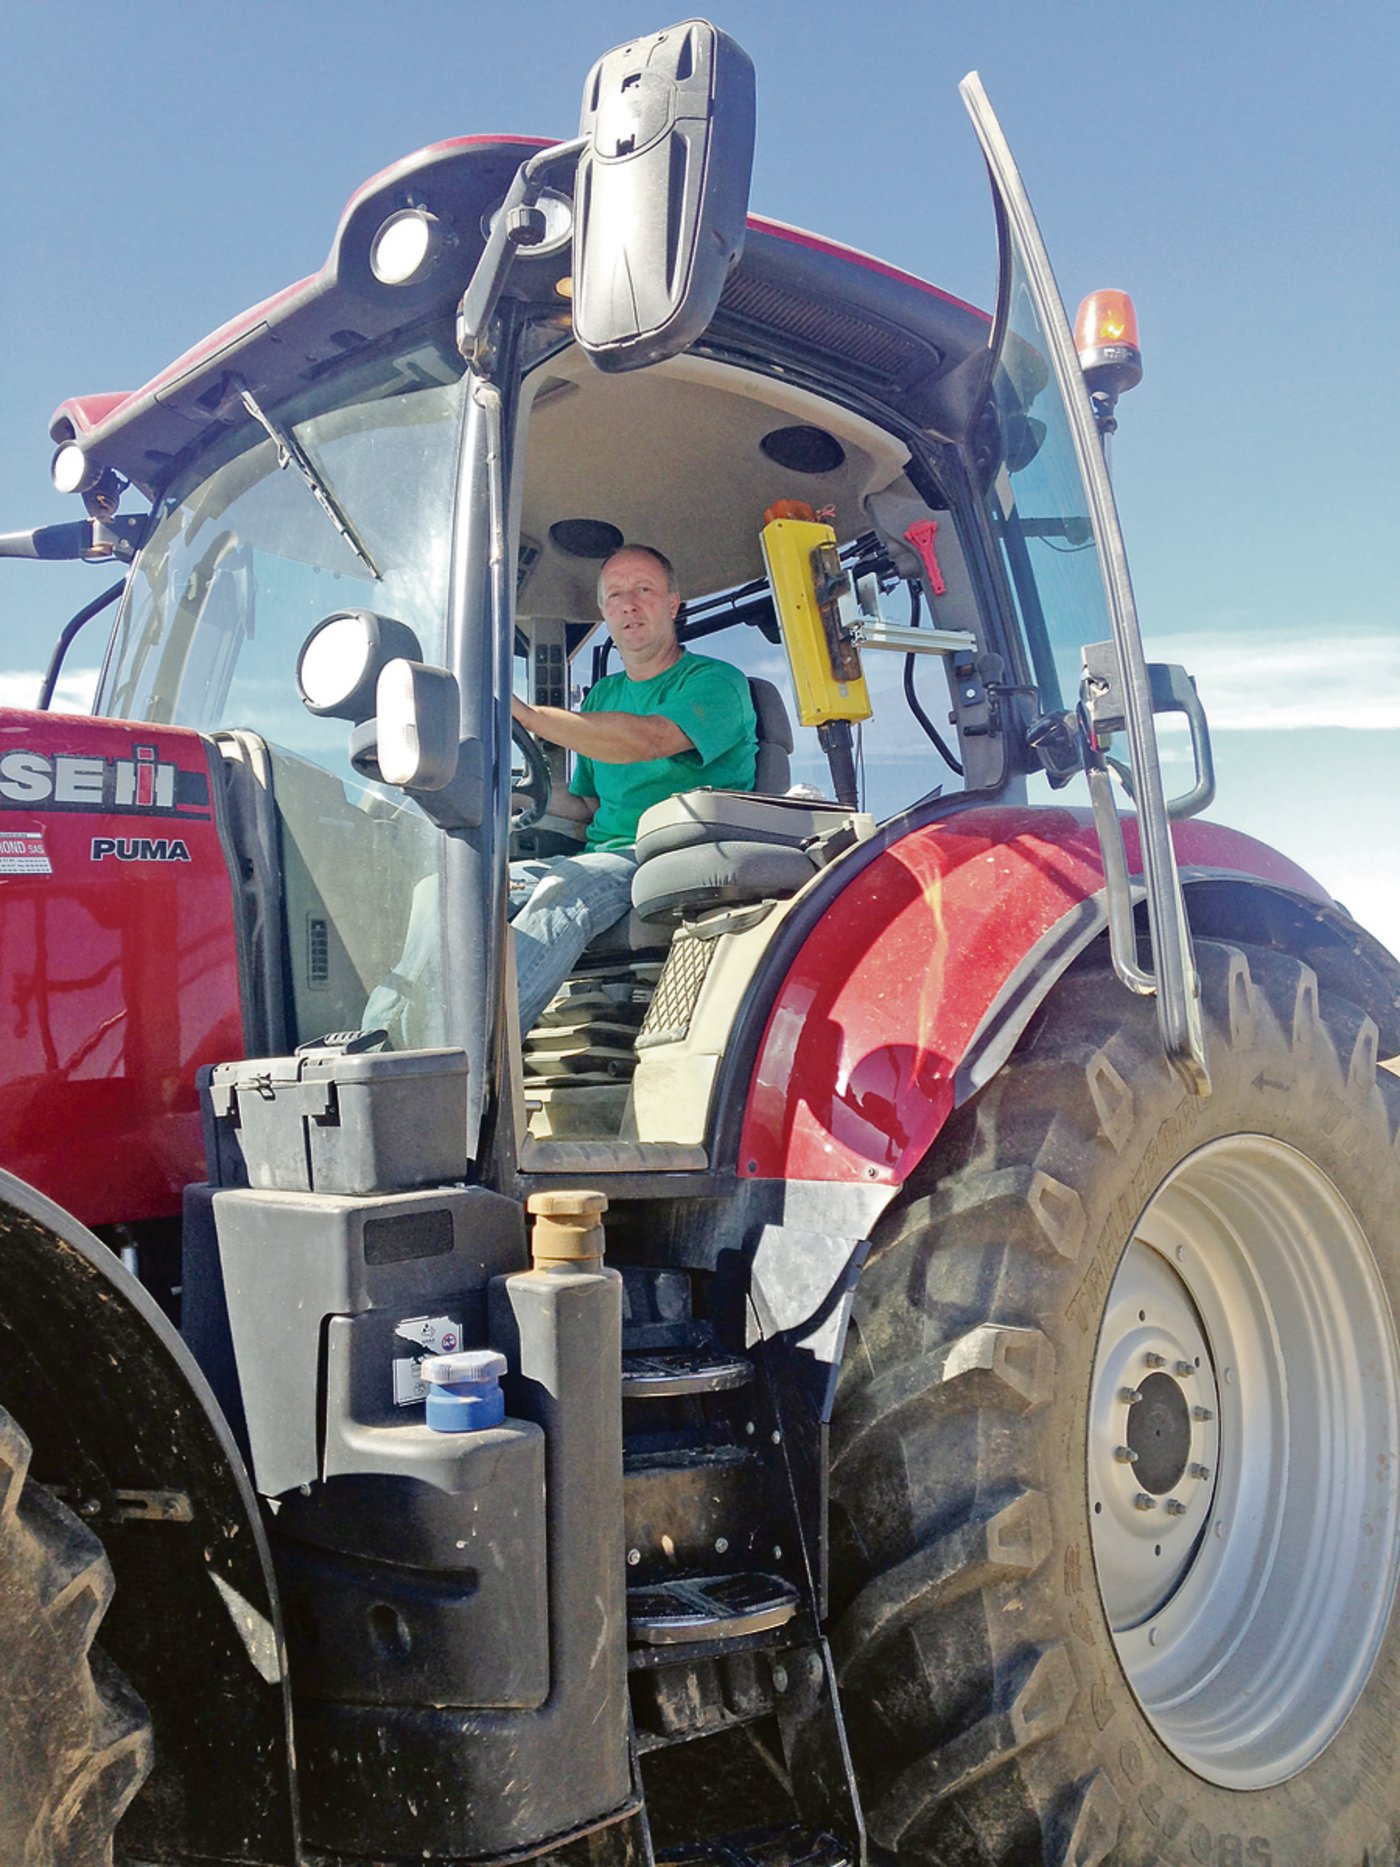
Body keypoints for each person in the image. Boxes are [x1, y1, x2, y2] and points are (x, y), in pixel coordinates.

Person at [508, 544, 757, 1034]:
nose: (629, 604)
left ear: (672, 603)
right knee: (454, 888)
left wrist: (528, 716)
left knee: (568, 887)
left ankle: (471, 1061)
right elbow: (586, 806)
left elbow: (648, 739)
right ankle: (398, 1048)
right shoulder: (604, 696)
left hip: (669, 859)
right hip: (601, 856)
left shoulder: (715, 682)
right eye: (616, 595)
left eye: (644, 590)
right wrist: (506, 791)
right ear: (603, 613)